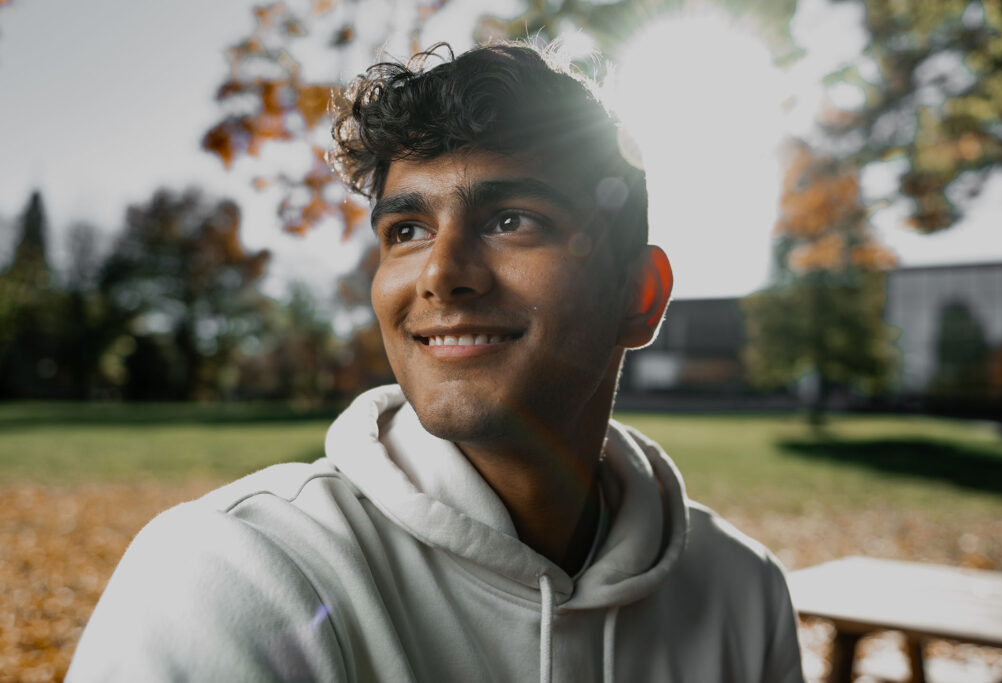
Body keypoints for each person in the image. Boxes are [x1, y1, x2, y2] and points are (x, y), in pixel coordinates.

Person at [67, 43, 804, 682]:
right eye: (408, 228)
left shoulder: (744, 590)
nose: (441, 272)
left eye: (512, 220)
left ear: (638, 297)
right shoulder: (233, 570)